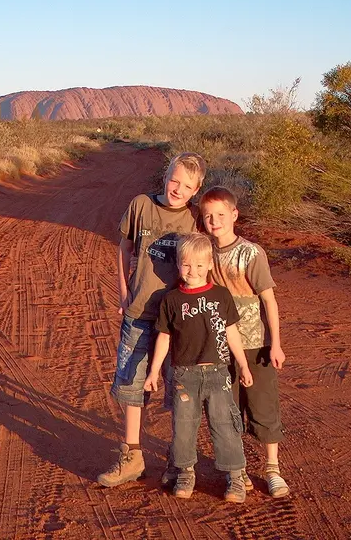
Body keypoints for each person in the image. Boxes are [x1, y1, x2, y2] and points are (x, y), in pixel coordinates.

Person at [96, 152, 205, 488]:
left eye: (187, 185)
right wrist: (124, 290)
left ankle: (179, 462)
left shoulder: (193, 219)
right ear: (166, 175)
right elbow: (125, 247)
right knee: (131, 384)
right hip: (140, 311)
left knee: (180, 390)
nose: (178, 188)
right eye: (174, 180)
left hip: (179, 319)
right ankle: (132, 457)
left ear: (196, 189)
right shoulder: (141, 205)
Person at [143, 232, 254, 501]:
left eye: (199, 265)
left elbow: (231, 332)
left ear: (209, 266)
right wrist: (154, 370)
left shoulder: (221, 295)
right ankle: (185, 471)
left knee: (224, 424)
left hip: (218, 373)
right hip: (184, 374)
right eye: (187, 264)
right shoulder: (171, 300)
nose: (193, 271)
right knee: (183, 425)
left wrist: (243, 365)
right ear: (179, 264)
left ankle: (236, 475)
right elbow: (165, 337)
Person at [199, 186, 290, 498]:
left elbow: (269, 300)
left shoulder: (251, 253)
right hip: (219, 346)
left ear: (234, 215)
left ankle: (273, 468)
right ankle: (236, 471)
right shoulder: (203, 252)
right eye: (208, 216)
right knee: (228, 409)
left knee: (263, 406)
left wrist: (275, 343)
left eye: (221, 215)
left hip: (255, 344)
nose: (214, 221)